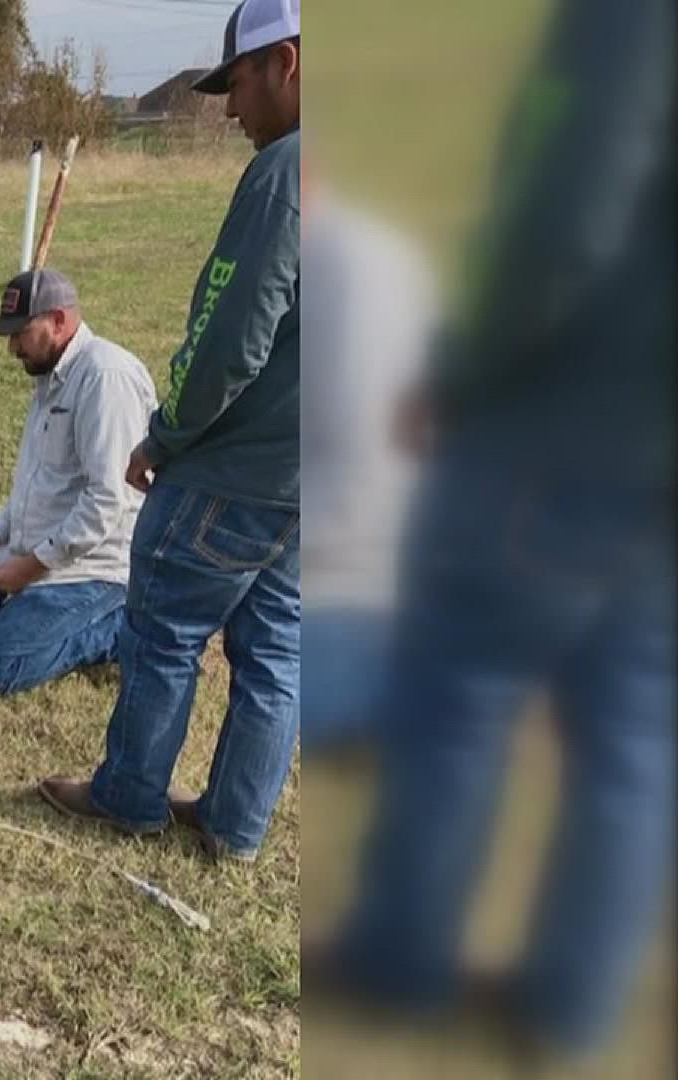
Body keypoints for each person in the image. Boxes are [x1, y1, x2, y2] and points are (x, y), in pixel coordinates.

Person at [310, 0, 673, 1058]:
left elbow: (577, 204)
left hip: (563, 438)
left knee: (459, 700)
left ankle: (402, 960)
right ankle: (578, 1006)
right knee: (635, 742)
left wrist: (468, 377)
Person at [32, 0, 301, 862]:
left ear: (286, 63)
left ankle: (131, 794)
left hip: (239, 470)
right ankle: (234, 823)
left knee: (164, 627)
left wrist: (166, 437)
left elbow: (230, 339)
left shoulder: (286, 174)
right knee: (275, 647)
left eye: (238, 83)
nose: (229, 109)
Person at [0, 268, 156, 694]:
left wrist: (28, 570)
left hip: (90, 569)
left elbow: (107, 499)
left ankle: (129, 624)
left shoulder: (105, 378)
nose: (13, 348)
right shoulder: (50, 375)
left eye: (20, 333)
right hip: (31, 552)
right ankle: (29, 615)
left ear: (59, 320)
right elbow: (35, 479)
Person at [298, 165, 438, 754]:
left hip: (361, 586)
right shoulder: (317, 269)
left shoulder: (356, 278)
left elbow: (364, 472)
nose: (232, 112)